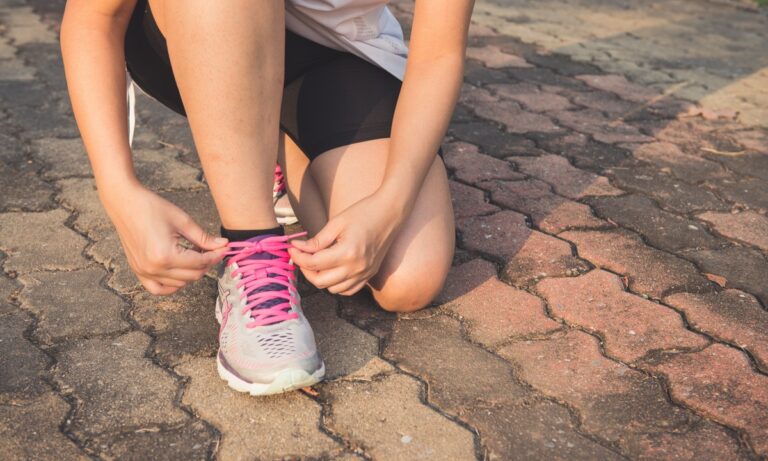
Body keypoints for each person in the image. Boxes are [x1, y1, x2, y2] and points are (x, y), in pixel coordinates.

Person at [60, 0, 474, 395]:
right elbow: (93, 18)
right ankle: (252, 250)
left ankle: (265, 146)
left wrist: (390, 204)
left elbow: (439, 53)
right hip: (196, 25)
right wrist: (119, 189)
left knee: (408, 276)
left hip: (337, 50)